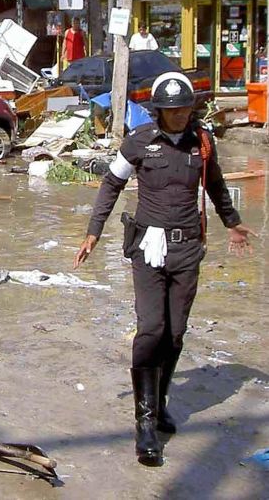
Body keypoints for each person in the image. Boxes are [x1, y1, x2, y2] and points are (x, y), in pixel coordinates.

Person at [74, 72, 256, 467]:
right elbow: (110, 184)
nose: (178, 116)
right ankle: (145, 423)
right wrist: (93, 233)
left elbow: (216, 186)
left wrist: (232, 223)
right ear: (158, 111)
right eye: (171, 110)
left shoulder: (203, 142)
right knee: (151, 329)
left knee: (174, 334)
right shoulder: (139, 142)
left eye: (184, 109)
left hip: (188, 247)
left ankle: (159, 403)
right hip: (149, 249)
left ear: (192, 108)